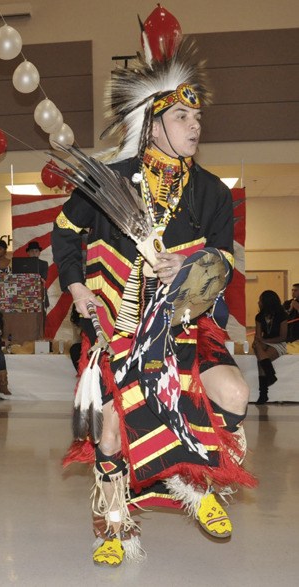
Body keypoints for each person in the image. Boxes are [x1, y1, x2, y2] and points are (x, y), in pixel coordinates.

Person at [52, 34, 253, 566]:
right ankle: (114, 527)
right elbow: (64, 232)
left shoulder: (211, 191)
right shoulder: (110, 182)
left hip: (185, 326)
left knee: (233, 392)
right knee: (111, 428)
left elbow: (224, 261)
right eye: (184, 118)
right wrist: (76, 287)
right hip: (118, 328)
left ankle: (199, 480)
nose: (195, 127)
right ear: (155, 123)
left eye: (198, 120)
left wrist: (188, 267)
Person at [253, 290, 288, 404]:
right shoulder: (259, 316)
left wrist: (265, 340)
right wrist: (260, 341)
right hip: (264, 342)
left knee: (261, 360)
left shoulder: (282, 315)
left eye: (260, 300)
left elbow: (283, 337)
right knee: (257, 345)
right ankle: (270, 374)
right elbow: (258, 336)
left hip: (278, 343)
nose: (258, 302)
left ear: (267, 302)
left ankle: (263, 394)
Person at [283, 283, 299, 350]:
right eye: (292, 290)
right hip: (288, 334)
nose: (293, 292)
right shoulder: (287, 303)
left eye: (295, 290)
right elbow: (282, 316)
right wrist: (290, 309)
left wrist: (298, 308)